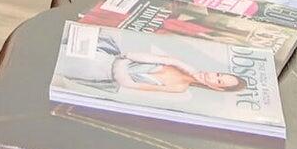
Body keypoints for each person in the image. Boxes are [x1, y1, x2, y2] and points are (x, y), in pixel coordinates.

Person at [66, 34, 247, 97]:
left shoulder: (179, 89)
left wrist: (121, 72)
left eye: (219, 81)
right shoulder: (182, 65)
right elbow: (148, 57)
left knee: (72, 67)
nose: (213, 76)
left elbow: (136, 86)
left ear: (217, 89)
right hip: (108, 59)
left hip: (105, 75)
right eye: (218, 74)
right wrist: (190, 69)